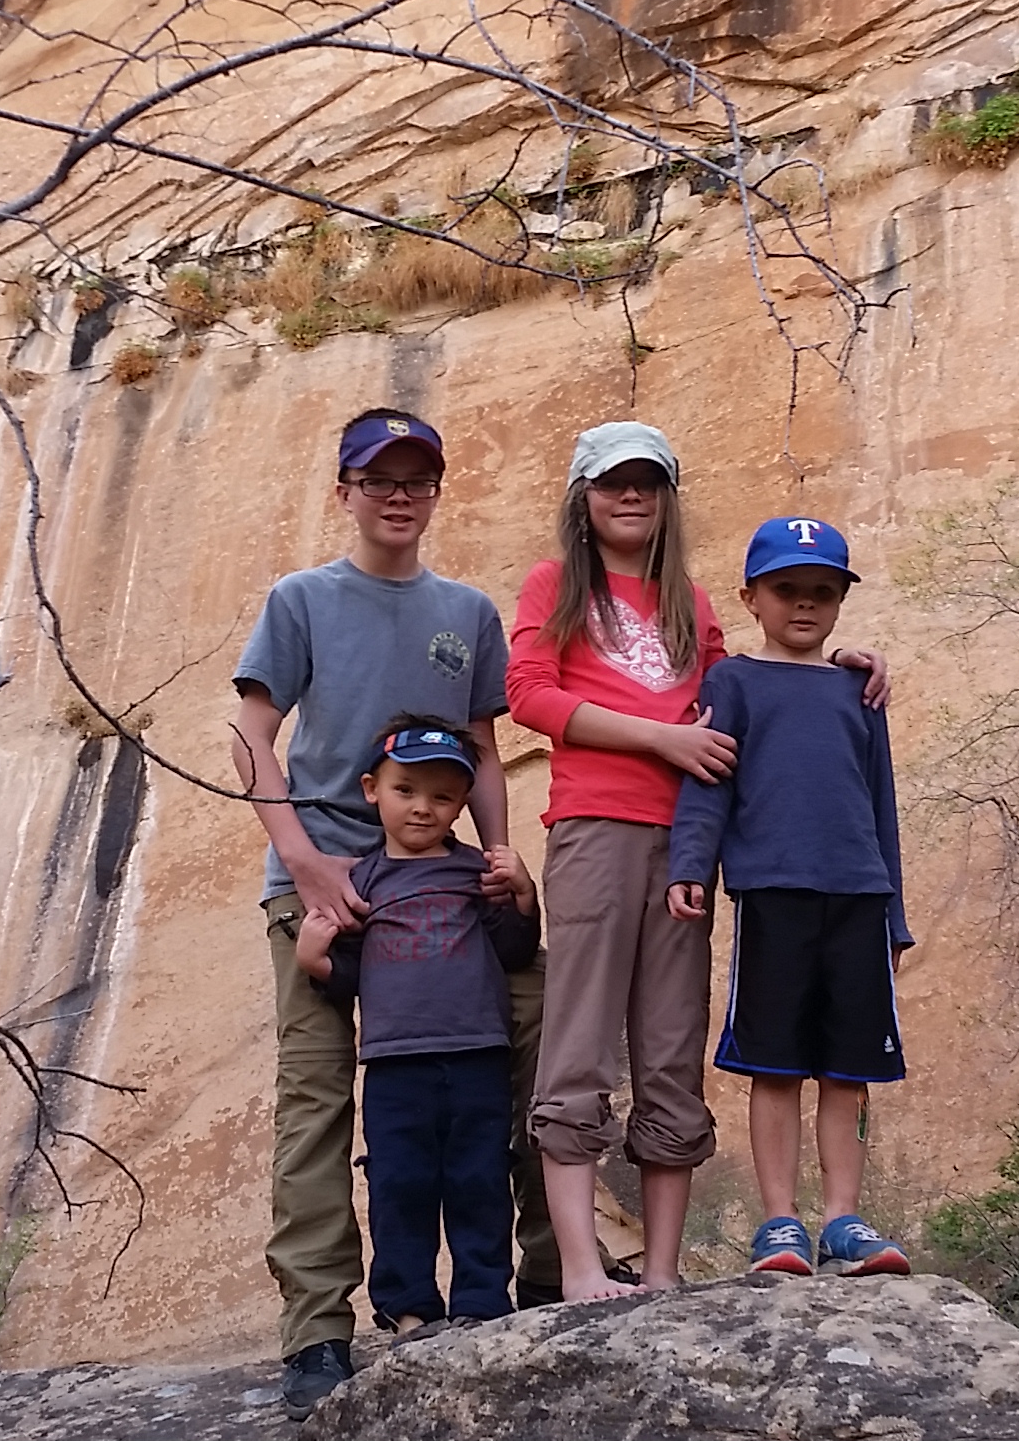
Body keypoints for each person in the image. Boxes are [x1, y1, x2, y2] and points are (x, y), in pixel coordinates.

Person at [229, 408, 555, 1416]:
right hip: (323, 888)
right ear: (347, 490)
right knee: (319, 1104)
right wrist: (303, 860)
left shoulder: (466, 611)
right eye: (380, 480)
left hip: (447, 889)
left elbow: (482, 747)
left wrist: (500, 857)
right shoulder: (303, 599)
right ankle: (318, 1332)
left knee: (533, 1056)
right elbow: (252, 727)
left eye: (417, 480)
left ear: (436, 492)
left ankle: (539, 1281)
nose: (400, 496)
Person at [503, 422, 732, 1301]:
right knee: (582, 1039)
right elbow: (529, 695)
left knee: (673, 1043)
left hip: (685, 843)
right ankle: (583, 1269)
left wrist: (839, 668)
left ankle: (665, 1271)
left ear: (669, 496)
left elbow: (733, 701)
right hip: (596, 826)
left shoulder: (695, 604)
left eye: (647, 483)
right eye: (611, 483)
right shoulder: (557, 586)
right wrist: (660, 740)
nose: (629, 496)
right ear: (583, 498)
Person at [667, 516, 914, 1280]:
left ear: (840, 600)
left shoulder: (858, 689)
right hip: (773, 891)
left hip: (858, 894)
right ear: (751, 597)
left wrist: (894, 914)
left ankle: (843, 1218)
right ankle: (779, 1222)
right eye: (786, 590)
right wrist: (690, 865)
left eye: (822, 592)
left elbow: (881, 803)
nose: (804, 605)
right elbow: (709, 778)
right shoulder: (732, 682)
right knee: (774, 1063)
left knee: (850, 1069)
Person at [294, 719, 544, 1335]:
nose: (423, 808)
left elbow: (512, 950)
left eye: (442, 795)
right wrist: (315, 961)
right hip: (395, 1062)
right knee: (399, 1183)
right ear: (373, 788)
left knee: (479, 1177)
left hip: (477, 1053)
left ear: (463, 801)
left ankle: (483, 1299)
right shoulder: (360, 881)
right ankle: (407, 1307)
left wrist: (522, 896)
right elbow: (349, 974)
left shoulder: (474, 872)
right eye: (406, 790)